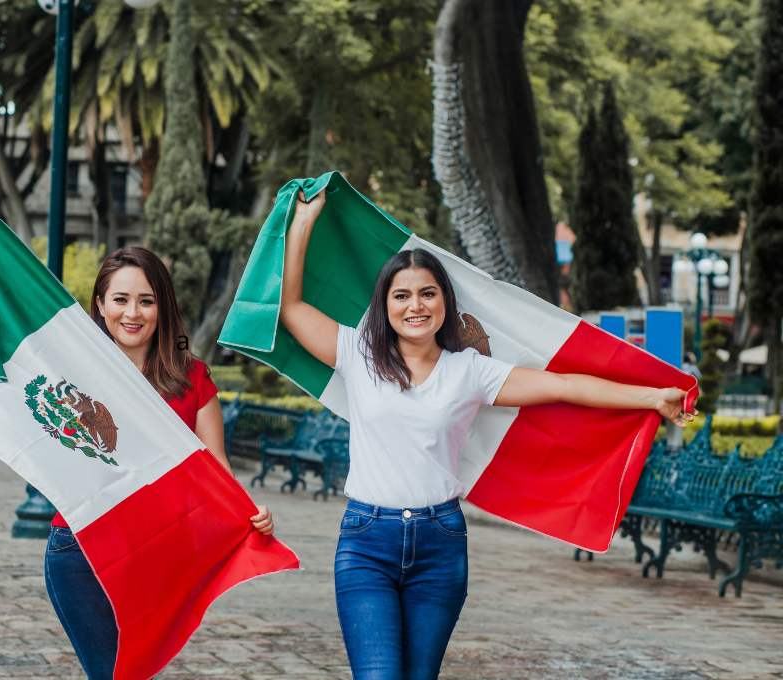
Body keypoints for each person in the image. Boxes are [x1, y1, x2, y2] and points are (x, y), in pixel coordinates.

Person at [280, 189, 695, 680]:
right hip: (366, 541)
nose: (416, 306)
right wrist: (303, 222)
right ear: (385, 304)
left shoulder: (470, 371)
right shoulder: (357, 355)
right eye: (402, 295)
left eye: (428, 293)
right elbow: (290, 307)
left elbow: (563, 385)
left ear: (444, 303)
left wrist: (651, 397)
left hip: (441, 543)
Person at [0, 177, 275, 680]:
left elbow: (219, 474)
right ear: (99, 306)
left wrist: (253, 516)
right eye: (120, 300)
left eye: (146, 300)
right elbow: (5, 304)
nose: (133, 312)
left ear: (162, 306)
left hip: (158, 554)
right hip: (81, 549)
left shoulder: (194, 381)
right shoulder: (71, 372)